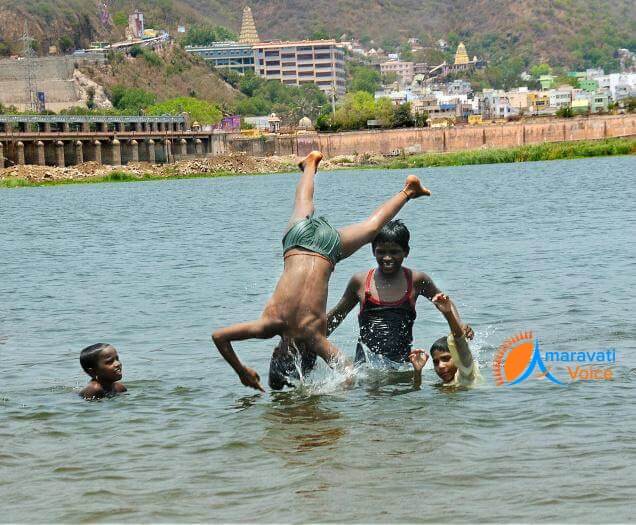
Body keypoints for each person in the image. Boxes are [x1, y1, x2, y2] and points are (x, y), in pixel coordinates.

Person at [212, 151, 431, 392]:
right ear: (277, 350)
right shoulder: (269, 325)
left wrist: (331, 396)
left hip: (328, 251)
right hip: (296, 244)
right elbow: (219, 337)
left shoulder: (313, 337)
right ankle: (310, 165)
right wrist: (240, 369)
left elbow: (349, 374)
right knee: (303, 204)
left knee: (371, 227)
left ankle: (408, 191)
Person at [326, 219, 473, 367]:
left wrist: (459, 324)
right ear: (373, 251)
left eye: (394, 252)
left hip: (402, 365)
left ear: (406, 252)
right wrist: (311, 337)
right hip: (366, 367)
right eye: (381, 252)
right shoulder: (360, 282)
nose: (387, 258)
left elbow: (445, 302)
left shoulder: (416, 280)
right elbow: (338, 315)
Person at [409, 292, 481, 387]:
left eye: (446, 359)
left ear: (458, 358)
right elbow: (416, 388)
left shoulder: (466, 373)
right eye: (436, 362)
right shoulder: (442, 385)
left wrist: (448, 313)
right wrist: (418, 371)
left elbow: (459, 339)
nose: (441, 366)